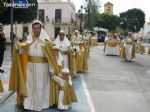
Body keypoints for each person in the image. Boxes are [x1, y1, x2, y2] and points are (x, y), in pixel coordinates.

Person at [9, 20, 60, 111]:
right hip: (30, 67)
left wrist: (51, 69)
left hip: (42, 68)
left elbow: (50, 58)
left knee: (41, 86)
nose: (36, 30)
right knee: (29, 86)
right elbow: (22, 52)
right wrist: (17, 47)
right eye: (34, 28)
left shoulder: (46, 42)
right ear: (32, 29)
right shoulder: (28, 41)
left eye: (38, 28)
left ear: (41, 29)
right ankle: (28, 104)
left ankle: (41, 105)